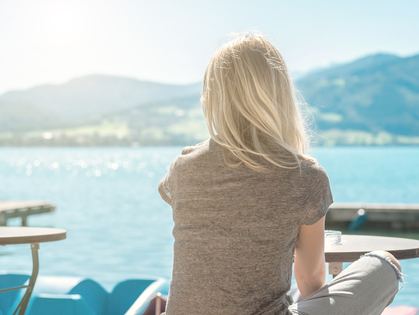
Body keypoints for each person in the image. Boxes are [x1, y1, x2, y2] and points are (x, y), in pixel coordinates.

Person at [158, 34, 402, 315]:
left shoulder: (183, 167)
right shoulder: (305, 176)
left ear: (213, 96)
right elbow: (310, 278)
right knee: (385, 264)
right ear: (280, 94)